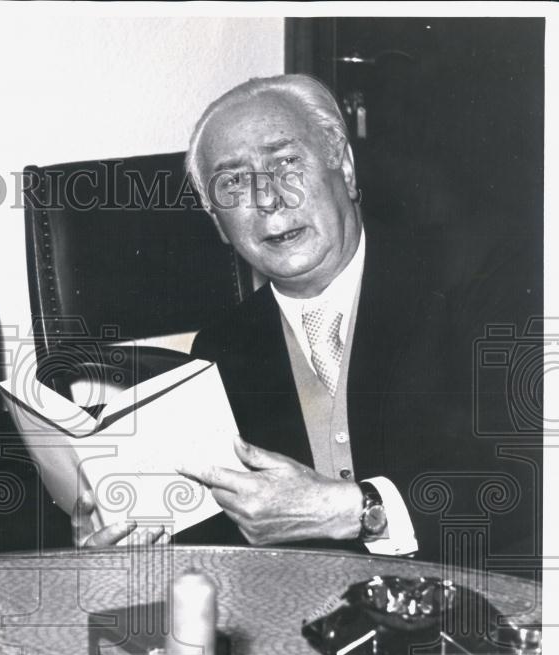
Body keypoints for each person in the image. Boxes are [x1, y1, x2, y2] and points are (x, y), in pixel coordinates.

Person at [75, 74, 539, 569]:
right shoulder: (223, 347)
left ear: (343, 166)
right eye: (233, 181)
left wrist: (358, 510)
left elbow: (530, 478)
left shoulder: (487, 269)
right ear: (217, 222)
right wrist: (140, 548)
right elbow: (234, 534)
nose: (268, 198)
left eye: (287, 163)